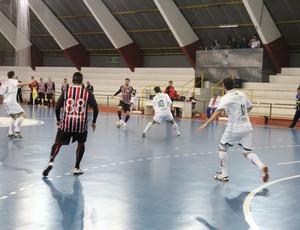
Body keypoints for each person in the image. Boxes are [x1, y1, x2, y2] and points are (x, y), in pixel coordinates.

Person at [198, 77, 269, 182]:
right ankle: (261, 166)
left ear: (223, 86)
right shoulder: (241, 94)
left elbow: (218, 111)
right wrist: (241, 116)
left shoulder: (226, 97)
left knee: (221, 148)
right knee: (247, 152)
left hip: (234, 128)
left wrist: (206, 123)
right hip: (247, 127)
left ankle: (224, 174)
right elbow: (250, 106)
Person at [42, 72, 98, 177]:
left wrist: (58, 119)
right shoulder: (87, 93)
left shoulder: (66, 92)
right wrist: (94, 122)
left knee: (57, 143)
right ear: (82, 81)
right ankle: (76, 167)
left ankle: (51, 161)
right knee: (81, 144)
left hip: (67, 122)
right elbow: (95, 107)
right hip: (81, 125)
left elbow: (58, 107)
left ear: (72, 81)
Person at [0, 71, 33, 138]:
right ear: (13, 75)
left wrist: (5, 99)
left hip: (5, 102)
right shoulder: (14, 81)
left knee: (14, 117)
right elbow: (20, 85)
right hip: (11, 101)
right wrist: (29, 83)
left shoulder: (5, 84)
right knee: (23, 114)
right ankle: (16, 130)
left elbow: (1, 95)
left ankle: (10, 132)